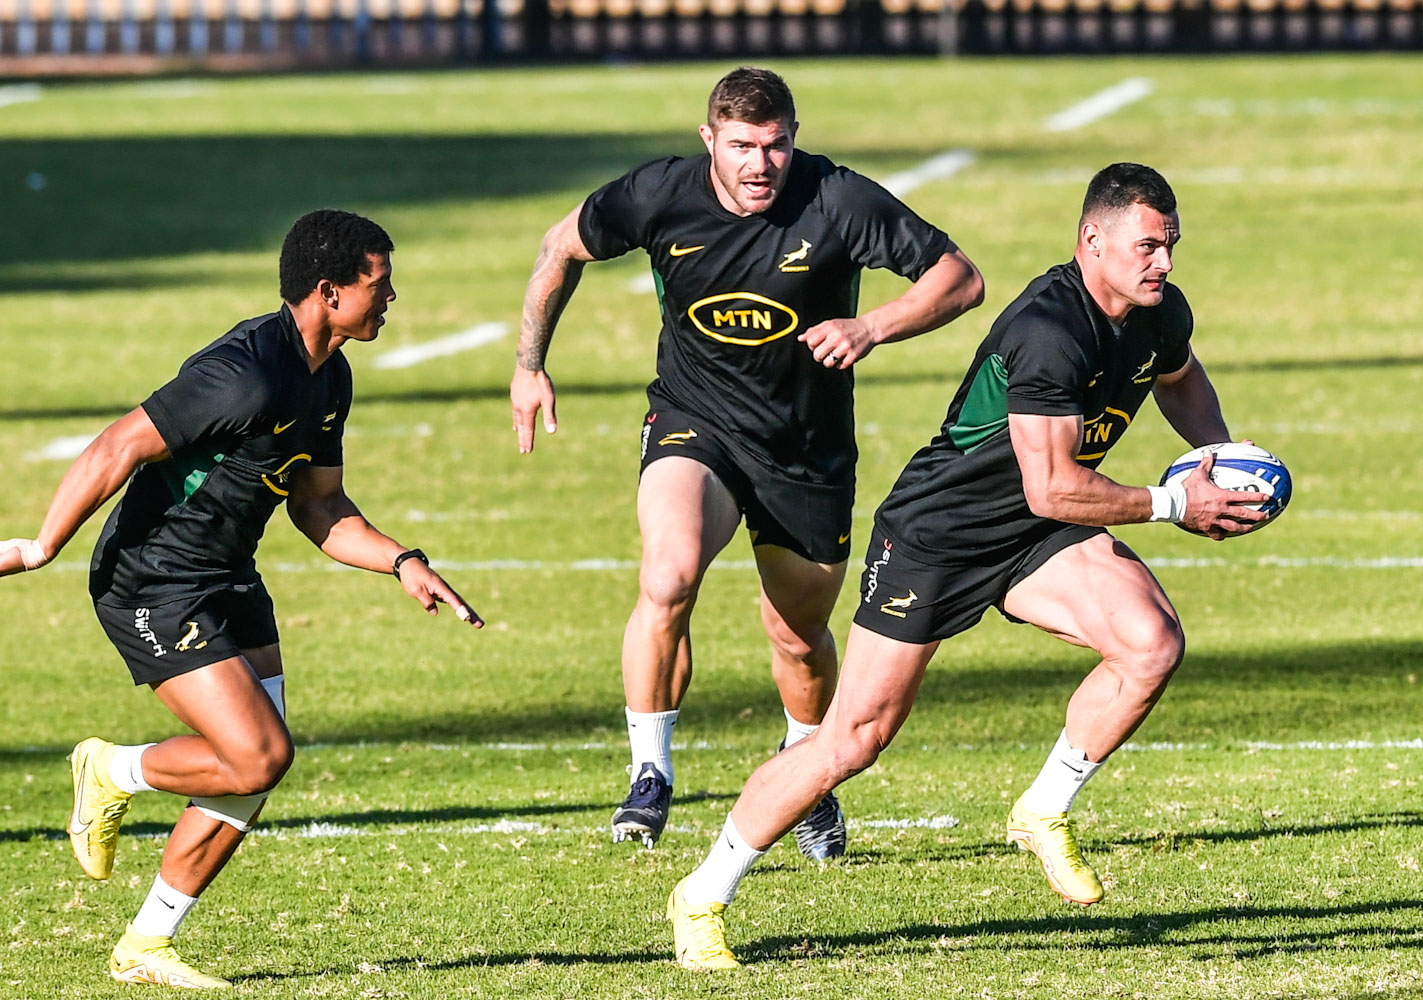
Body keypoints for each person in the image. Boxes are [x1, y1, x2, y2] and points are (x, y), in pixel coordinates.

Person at [662, 162, 1270, 970]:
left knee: (1150, 642)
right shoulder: (1051, 329)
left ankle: (1043, 809)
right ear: (1093, 241)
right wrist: (1173, 504)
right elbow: (1051, 484)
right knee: (853, 739)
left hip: (1037, 534)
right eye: (1148, 246)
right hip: (938, 538)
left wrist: (1216, 456)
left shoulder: (1159, 312)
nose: (1163, 262)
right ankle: (703, 892)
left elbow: (1180, 379)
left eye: (1171, 245)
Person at [0, 209, 483, 989]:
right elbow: (118, 444)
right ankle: (114, 772)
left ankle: (146, 945)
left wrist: (401, 561)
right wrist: (40, 545)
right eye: (379, 284)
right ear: (330, 293)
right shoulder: (247, 373)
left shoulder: (332, 375)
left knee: (252, 774)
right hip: (152, 582)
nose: (392, 298)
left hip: (228, 575)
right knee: (259, 754)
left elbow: (319, 507)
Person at [509, 66, 983, 858]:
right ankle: (651, 773)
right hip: (696, 422)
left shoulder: (836, 199)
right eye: (742, 147)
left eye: (776, 145)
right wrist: (530, 364)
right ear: (709, 142)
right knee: (669, 572)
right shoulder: (661, 194)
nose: (761, 164)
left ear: (794, 140)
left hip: (806, 450)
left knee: (797, 636)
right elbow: (561, 247)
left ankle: (807, 774)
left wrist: (873, 327)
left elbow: (960, 278)